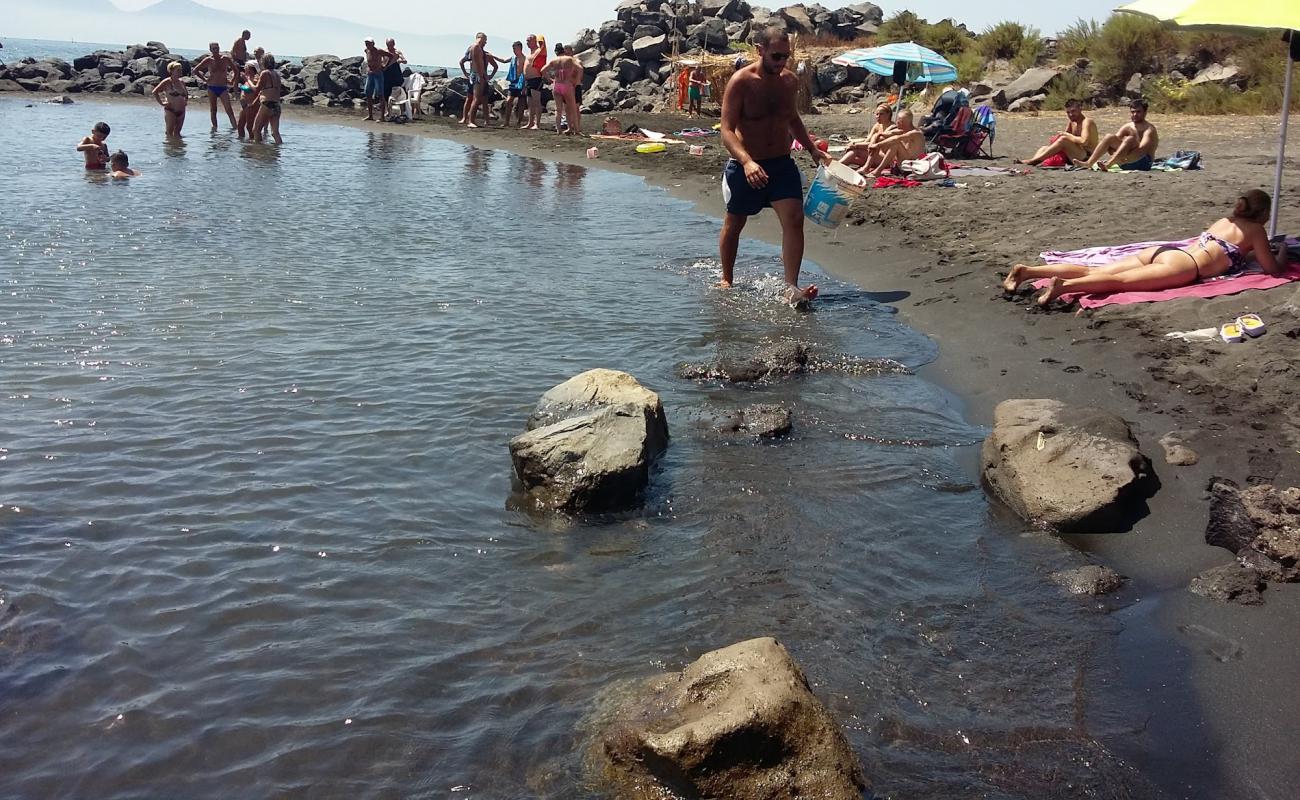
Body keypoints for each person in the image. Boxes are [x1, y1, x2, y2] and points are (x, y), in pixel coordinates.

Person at [1004, 190, 1287, 307]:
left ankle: (1028, 271)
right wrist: (1282, 252)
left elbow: (1231, 250)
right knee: (1119, 283)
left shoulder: (1226, 220)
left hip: (1165, 251)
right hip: (1185, 267)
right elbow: (1271, 269)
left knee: (1096, 269)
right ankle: (1062, 287)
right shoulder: (1256, 230)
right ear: (1262, 213)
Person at [718, 25, 831, 304]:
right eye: (776, 56)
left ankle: (791, 287)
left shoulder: (789, 82)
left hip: (781, 164)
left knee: (794, 219)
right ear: (761, 51)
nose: (782, 63)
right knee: (735, 224)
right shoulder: (741, 82)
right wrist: (746, 162)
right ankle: (726, 278)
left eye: (786, 57)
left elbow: (792, 119)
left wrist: (812, 148)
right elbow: (726, 130)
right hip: (746, 165)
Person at [1074, 98, 1159, 171]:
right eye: (1133, 112)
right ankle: (1089, 163)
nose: (1135, 115)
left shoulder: (1149, 130)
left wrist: (1125, 159)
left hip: (1143, 163)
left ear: (1145, 112)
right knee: (1109, 137)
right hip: (1124, 161)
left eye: (1138, 112)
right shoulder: (1128, 126)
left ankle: (1109, 164)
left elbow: (1141, 150)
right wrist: (1119, 155)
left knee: (1130, 139)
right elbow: (1112, 144)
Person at [1020, 98, 1098, 166]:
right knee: (1044, 148)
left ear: (1080, 109)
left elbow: (1084, 141)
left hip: (1087, 157)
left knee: (1063, 139)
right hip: (1074, 155)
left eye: (1073, 111)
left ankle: (1035, 161)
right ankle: (1033, 160)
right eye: (1068, 112)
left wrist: (1066, 135)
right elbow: (1064, 140)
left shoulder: (1087, 122)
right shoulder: (1072, 122)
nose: (1071, 114)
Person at [857, 109, 924, 177]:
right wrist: (873, 143)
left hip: (913, 164)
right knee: (881, 139)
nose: (896, 122)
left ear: (902, 122)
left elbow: (896, 139)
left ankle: (878, 171)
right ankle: (866, 167)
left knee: (895, 144)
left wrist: (877, 145)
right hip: (902, 161)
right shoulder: (902, 130)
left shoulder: (915, 133)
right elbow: (879, 135)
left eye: (898, 120)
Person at [193, 41, 239, 129]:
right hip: (212, 87)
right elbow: (195, 70)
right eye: (214, 48)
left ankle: (235, 128)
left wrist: (231, 80)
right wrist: (205, 79)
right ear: (210, 50)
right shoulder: (209, 60)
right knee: (213, 110)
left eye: (217, 48)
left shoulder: (225, 59)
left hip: (223, 87)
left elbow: (236, 71)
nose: (216, 50)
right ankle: (214, 130)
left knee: (229, 109)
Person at [459, 33, 500, 128]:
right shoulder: (474, 48)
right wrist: (466, 73)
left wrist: (489, 76)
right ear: (480, 38)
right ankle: (468, 120)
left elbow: (496, 66)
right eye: (485, 40)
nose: (486, 42)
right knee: (472, 98)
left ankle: (486, 121)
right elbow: (463, 62)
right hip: (476, 76)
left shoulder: (485, 54)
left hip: (481, 77)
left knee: (484, 100)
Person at [542, 46, 583, 136]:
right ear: (564, 51)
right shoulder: (569, 59)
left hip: (557, 85)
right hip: (567, 84)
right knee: (572, 107)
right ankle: (576, 130)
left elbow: (543, 70)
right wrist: (577, 81)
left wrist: (550, 79)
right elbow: (580, 68)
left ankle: (558, 130)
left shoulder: (554, 61)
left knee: (559, 109)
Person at [838, 103, 893, 167]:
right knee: (851, 156)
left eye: (881, 114)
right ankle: (838, 165)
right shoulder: (877, 126)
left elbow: (875, 145)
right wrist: (853, 144)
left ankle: (837, 166)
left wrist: (856, 145)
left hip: (885, 157)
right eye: (877, 114)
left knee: (855, 151)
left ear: (888, 114)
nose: (878, 116)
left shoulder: (891, 128)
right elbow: (867, 140)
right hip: (875, 155)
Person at [251, 53, 283, 144]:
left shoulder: (265, 73)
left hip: (267, 104)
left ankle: (259, 151)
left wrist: (247, 80)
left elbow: (256, 89)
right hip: (277, 104)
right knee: (275, 133)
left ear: (263, 62)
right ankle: (278, 152)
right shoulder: (277, 74)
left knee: (256, 130)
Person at [151, 61, 188, 137]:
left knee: (177, 133)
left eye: (180, 69)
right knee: (169, 133)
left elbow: (186, 94)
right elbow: (155, 92)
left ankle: (177, 148)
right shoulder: (167, 82)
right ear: (171, 71)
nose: (180, 71)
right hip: (171, 110)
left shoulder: (182, 82)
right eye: (178, 70)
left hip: (181, 111)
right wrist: (162, 103)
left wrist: (186, 101)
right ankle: (169, 147)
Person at [362, 38, 391, 122]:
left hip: (378, 74)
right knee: (368, 93)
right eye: (366, 43)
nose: (367, 45)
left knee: (380, 94)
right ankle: (370, 115)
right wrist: (368, 68)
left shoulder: (379, 50)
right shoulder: (366, 50)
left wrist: (385, 66)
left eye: (369, 43)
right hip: (370, 74)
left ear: (373, 43)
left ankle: (382, 117)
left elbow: (390, 55)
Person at [522, 34, 547, 130]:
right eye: (526, 41)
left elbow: (543, 46)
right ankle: (530, 123)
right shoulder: (530, 53)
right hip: (528, 80)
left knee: (536, 102)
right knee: (530, 103)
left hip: (536, 79)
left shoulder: (539, 51)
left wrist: (540, 39)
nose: (527, 43)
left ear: (534, 41)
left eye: (529, 40)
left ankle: (537, 124)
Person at [502, 40, 528, 128]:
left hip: (521, 82)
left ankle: (519, 122)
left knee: (521, 103)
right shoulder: (513, 57)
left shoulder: (524, 59)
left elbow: (525, 73)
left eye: (515, 48)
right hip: (513, 82)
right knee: (508, 101)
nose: (513, 50)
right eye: (513, 48)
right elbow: (504, 61)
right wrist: (493, 56)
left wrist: (524, 86)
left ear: (520, 48)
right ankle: (506, 122)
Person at [383, 38, 407, 120]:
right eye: (388, 44)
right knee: (386, 93)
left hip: (395, 74)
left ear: (394, 44)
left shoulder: (397, 52)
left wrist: (399, 60)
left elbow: (404, 60)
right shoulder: (384, 51)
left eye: (391, 44)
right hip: (386, 74)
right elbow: (382, 61)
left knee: (398, 92)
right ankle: (388, 111)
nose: (389, 46)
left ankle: (402, 111)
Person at [236, 61, 261, 140]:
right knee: (240, 126)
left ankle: (253, 144)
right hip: (244, 106)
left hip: (251, 105)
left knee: (249, 127)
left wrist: (254, 103)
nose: (244, 69)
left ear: (251, 69)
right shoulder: (247, 78)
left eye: (246, 67)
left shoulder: (255, 79)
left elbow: (258, 91)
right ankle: (242, 143)